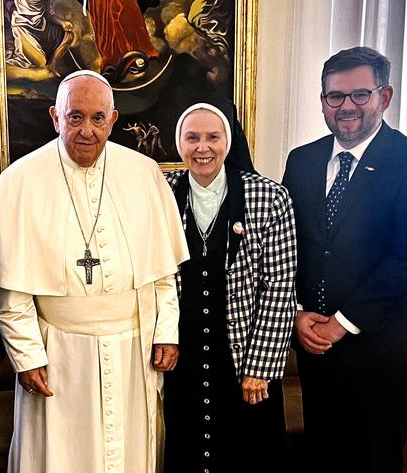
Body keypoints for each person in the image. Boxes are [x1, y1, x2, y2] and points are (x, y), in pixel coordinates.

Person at [0, 70, 188, 473]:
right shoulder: (19, 180)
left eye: (97, 118)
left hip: (132, 351)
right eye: (75, 117)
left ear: (113, 120)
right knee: (63, 455)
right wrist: (27, 355)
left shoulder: (144, 173)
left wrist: (166, 331)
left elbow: (163, 272)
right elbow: (12, 291)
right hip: (60, 354)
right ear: (55, 117)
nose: (87, 130)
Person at [282, 46, 407, 473]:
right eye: (335, 96)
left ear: (386, 96)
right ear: (323, 101)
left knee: (375, 462)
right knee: (322, 459)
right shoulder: (302, 161)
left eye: (359, 95)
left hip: (380, 349)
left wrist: (341, 323)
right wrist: (297, 313)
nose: (346, 107)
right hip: (315, 347)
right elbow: (286, 246)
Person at [163, 101, 297, 472]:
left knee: (247, 453)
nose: (202, 148)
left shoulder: (269, 197)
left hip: (242, 355)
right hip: (182, 355)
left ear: (229, 140)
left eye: (212, 137)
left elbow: (279, 287)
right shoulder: (162, 193)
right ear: (179, 143)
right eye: (192, 138)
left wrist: (261, 366)